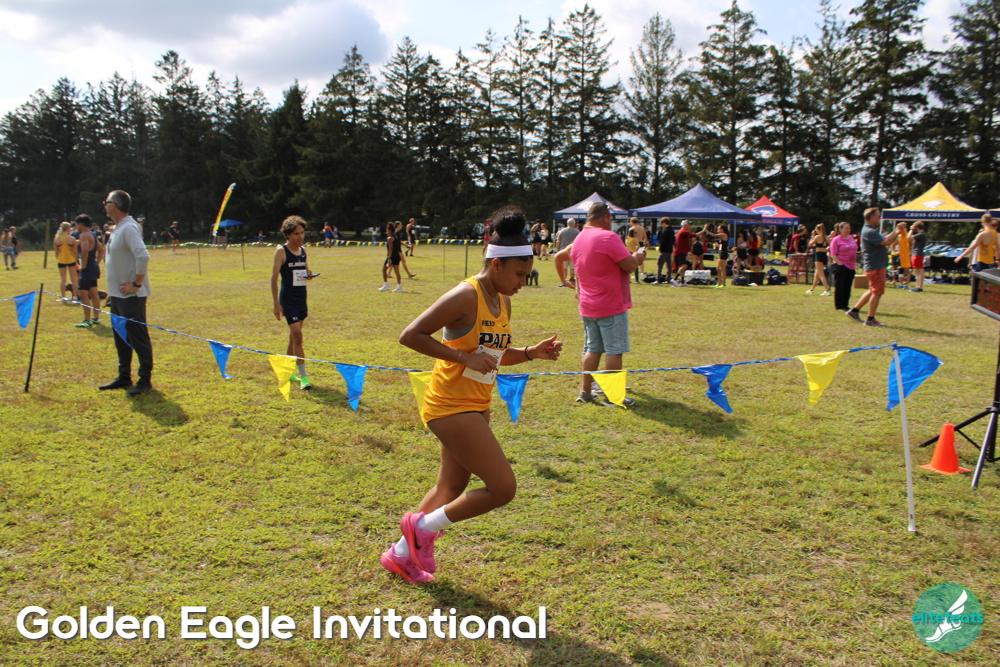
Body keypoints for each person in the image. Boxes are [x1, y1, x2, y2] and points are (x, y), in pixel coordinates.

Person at [382, 206, 562, 584]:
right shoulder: (466, 295)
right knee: (503, 488)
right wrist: (463, 358)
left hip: (477, 404)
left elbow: (493, 355)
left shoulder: (503, 300)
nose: (523, 282)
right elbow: (411, 335)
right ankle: (421, 528)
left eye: (526, 275)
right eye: (519, 274)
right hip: (449, 404)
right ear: (496, 264)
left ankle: (400, 554)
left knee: (451, 487)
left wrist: (531, 353)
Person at [555, 202, 644, 406]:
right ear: (605, 217)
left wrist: (564, 280)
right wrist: (638, 258)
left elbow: (559, 257)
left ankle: (585, 392)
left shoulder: (579, 239)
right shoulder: (608, 237)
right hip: (610, 304)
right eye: (610, 219)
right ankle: (613, 397)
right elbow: (629, 266)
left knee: (592, 349)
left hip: (587, 305)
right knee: (614, 351)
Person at [99, 190, 154, 395]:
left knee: (137, 337)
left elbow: (143, 256)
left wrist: (136, 284)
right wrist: (112, 292)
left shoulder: (129, 228)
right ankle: (124, 377)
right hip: (118, 296)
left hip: (131, 296)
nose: (104, 206)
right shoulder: (118, 228)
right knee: (121, 337)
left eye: (106, 202)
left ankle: (145, 379)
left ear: (113, 205)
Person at [271, 216, 316, 391]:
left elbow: (304, 270)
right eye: (297, 234)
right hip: (288, 300)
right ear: (288, 235)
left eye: (302, 233)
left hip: (301, 298)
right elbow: (274, 278)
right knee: (297, 335)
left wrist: (308, 274)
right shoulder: (281, 252)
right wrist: (276, 304)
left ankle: (287, 371)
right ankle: (304, 377)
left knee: (293, 336)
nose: (300, 237)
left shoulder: (303, 251)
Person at [846, 207, 899, 327]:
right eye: (878, 216)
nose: (880, 219)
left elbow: (885, 239)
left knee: (872, 290)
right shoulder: (869, 231)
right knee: (877, 292)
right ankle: (870, 319)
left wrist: (895, 232)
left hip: (874, 265)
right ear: (872, 217)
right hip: (876, 266)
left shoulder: (869, 230)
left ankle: (854, 311)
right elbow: (887, 242)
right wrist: (898, 232)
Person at [74, 215, 104, 328]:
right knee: (93, 293)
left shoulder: (84, 235)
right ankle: (96, 318)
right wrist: (97, 262)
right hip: (93, 266)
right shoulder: (92, 234)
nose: (76, 227)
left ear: (81, 224)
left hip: (87, 268)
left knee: (83, 294)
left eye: (76, 224)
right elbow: (101, 250)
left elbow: (85, 250)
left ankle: (87, 320)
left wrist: (83, 265)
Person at [828, 221, 858, 311]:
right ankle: (839, 305)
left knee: (847, 287)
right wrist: (840, 264)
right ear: (840, 229)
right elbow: (833, 254)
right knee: (840, 286)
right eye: (846, 228)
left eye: (849, 228)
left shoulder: (851, 238)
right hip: (840, 265)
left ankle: (845, 305)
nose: (848, 230)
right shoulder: (836, 240)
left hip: (851, 266)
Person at [54, 221, 79, 302]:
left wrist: (59, 258)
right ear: (68, 228)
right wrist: (76, 260)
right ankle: (75, 296)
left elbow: (56, 252)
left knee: (63, 280)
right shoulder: (72, 239)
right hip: (71, 259)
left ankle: (63, 297)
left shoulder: (57, 239)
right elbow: (75, 252)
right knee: (74, 279)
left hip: (61, 260)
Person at [806, 223, 831, 295]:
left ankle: (827, 290)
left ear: (818, 230)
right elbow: (831, 245)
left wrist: (812, 236)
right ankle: (812, 289)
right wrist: (827, 248)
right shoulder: (827, 237)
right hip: (824, 255)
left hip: (819, 255)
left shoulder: (817, 237)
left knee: (821, 274)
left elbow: (810, 244)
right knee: (816, 274)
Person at [554, 218, 580, 285]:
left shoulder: (562, 231)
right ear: (574, 224)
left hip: (563, 250)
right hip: (573, 251)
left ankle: (564, 280)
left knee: (564, 268)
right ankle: (572, 279)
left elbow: (558, 241)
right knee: (572, 267)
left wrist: (558, 250)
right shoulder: (577, 231)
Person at [378, 222, 403, 292]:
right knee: (397, 272)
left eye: (387, 230)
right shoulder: (396, 237)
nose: (386, 232)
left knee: (384, 270)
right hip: (397, 256)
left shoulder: (389, 238)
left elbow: (390, 249)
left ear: (389, 231)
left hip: (391, 256)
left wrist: (389, 258)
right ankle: (399, 286)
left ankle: (386, 285)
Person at [672, 220, 696, 286]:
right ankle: (675, 279)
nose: (690, 226)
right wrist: (704, 230)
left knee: (682, 267)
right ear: (685, 225)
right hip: (680, 252)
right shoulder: (683, 231)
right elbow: (694, 235)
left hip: (682, 252)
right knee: (684, 266)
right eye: (688, 224)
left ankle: (682, 282)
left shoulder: (682, 232)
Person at [707, 223, 730, 288]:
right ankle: (719, 282)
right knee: (718, 269)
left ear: (722, 229)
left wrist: (706, 230)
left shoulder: (724, 235)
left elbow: (713, 235)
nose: (718, 230)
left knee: (722, 269)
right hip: (721, 252)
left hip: (723, 253)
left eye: (719, 229)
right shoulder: (721, 237)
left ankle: (723, 284)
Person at [909, 221, 928, 292]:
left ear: (916, 227)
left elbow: (909, 237)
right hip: (917, 253)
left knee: (919, 270)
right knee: (916, 270)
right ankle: (918, 286)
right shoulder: (922, 234)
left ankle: (919, 287)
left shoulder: (921, 234)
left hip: (918, 254)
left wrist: (911, 229)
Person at [892, 221, 911, 288]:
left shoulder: (905, 234)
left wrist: (899, 226)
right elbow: (893, 244)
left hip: (906, 255)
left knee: (907, 270)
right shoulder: (900, 236)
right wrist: (895, 251)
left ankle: (906, 285)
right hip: (901, 255)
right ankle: (901, 284)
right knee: (900, 270)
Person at [655, 217, 674, 284]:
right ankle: (668, 279)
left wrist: (661, 249)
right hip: (670, 250)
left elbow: (663, 241)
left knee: (659, 264)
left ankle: (658, 279)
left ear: (664, 223)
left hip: (664, 250)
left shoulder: (665, 231)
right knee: (669, 266)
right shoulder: (671, 230)